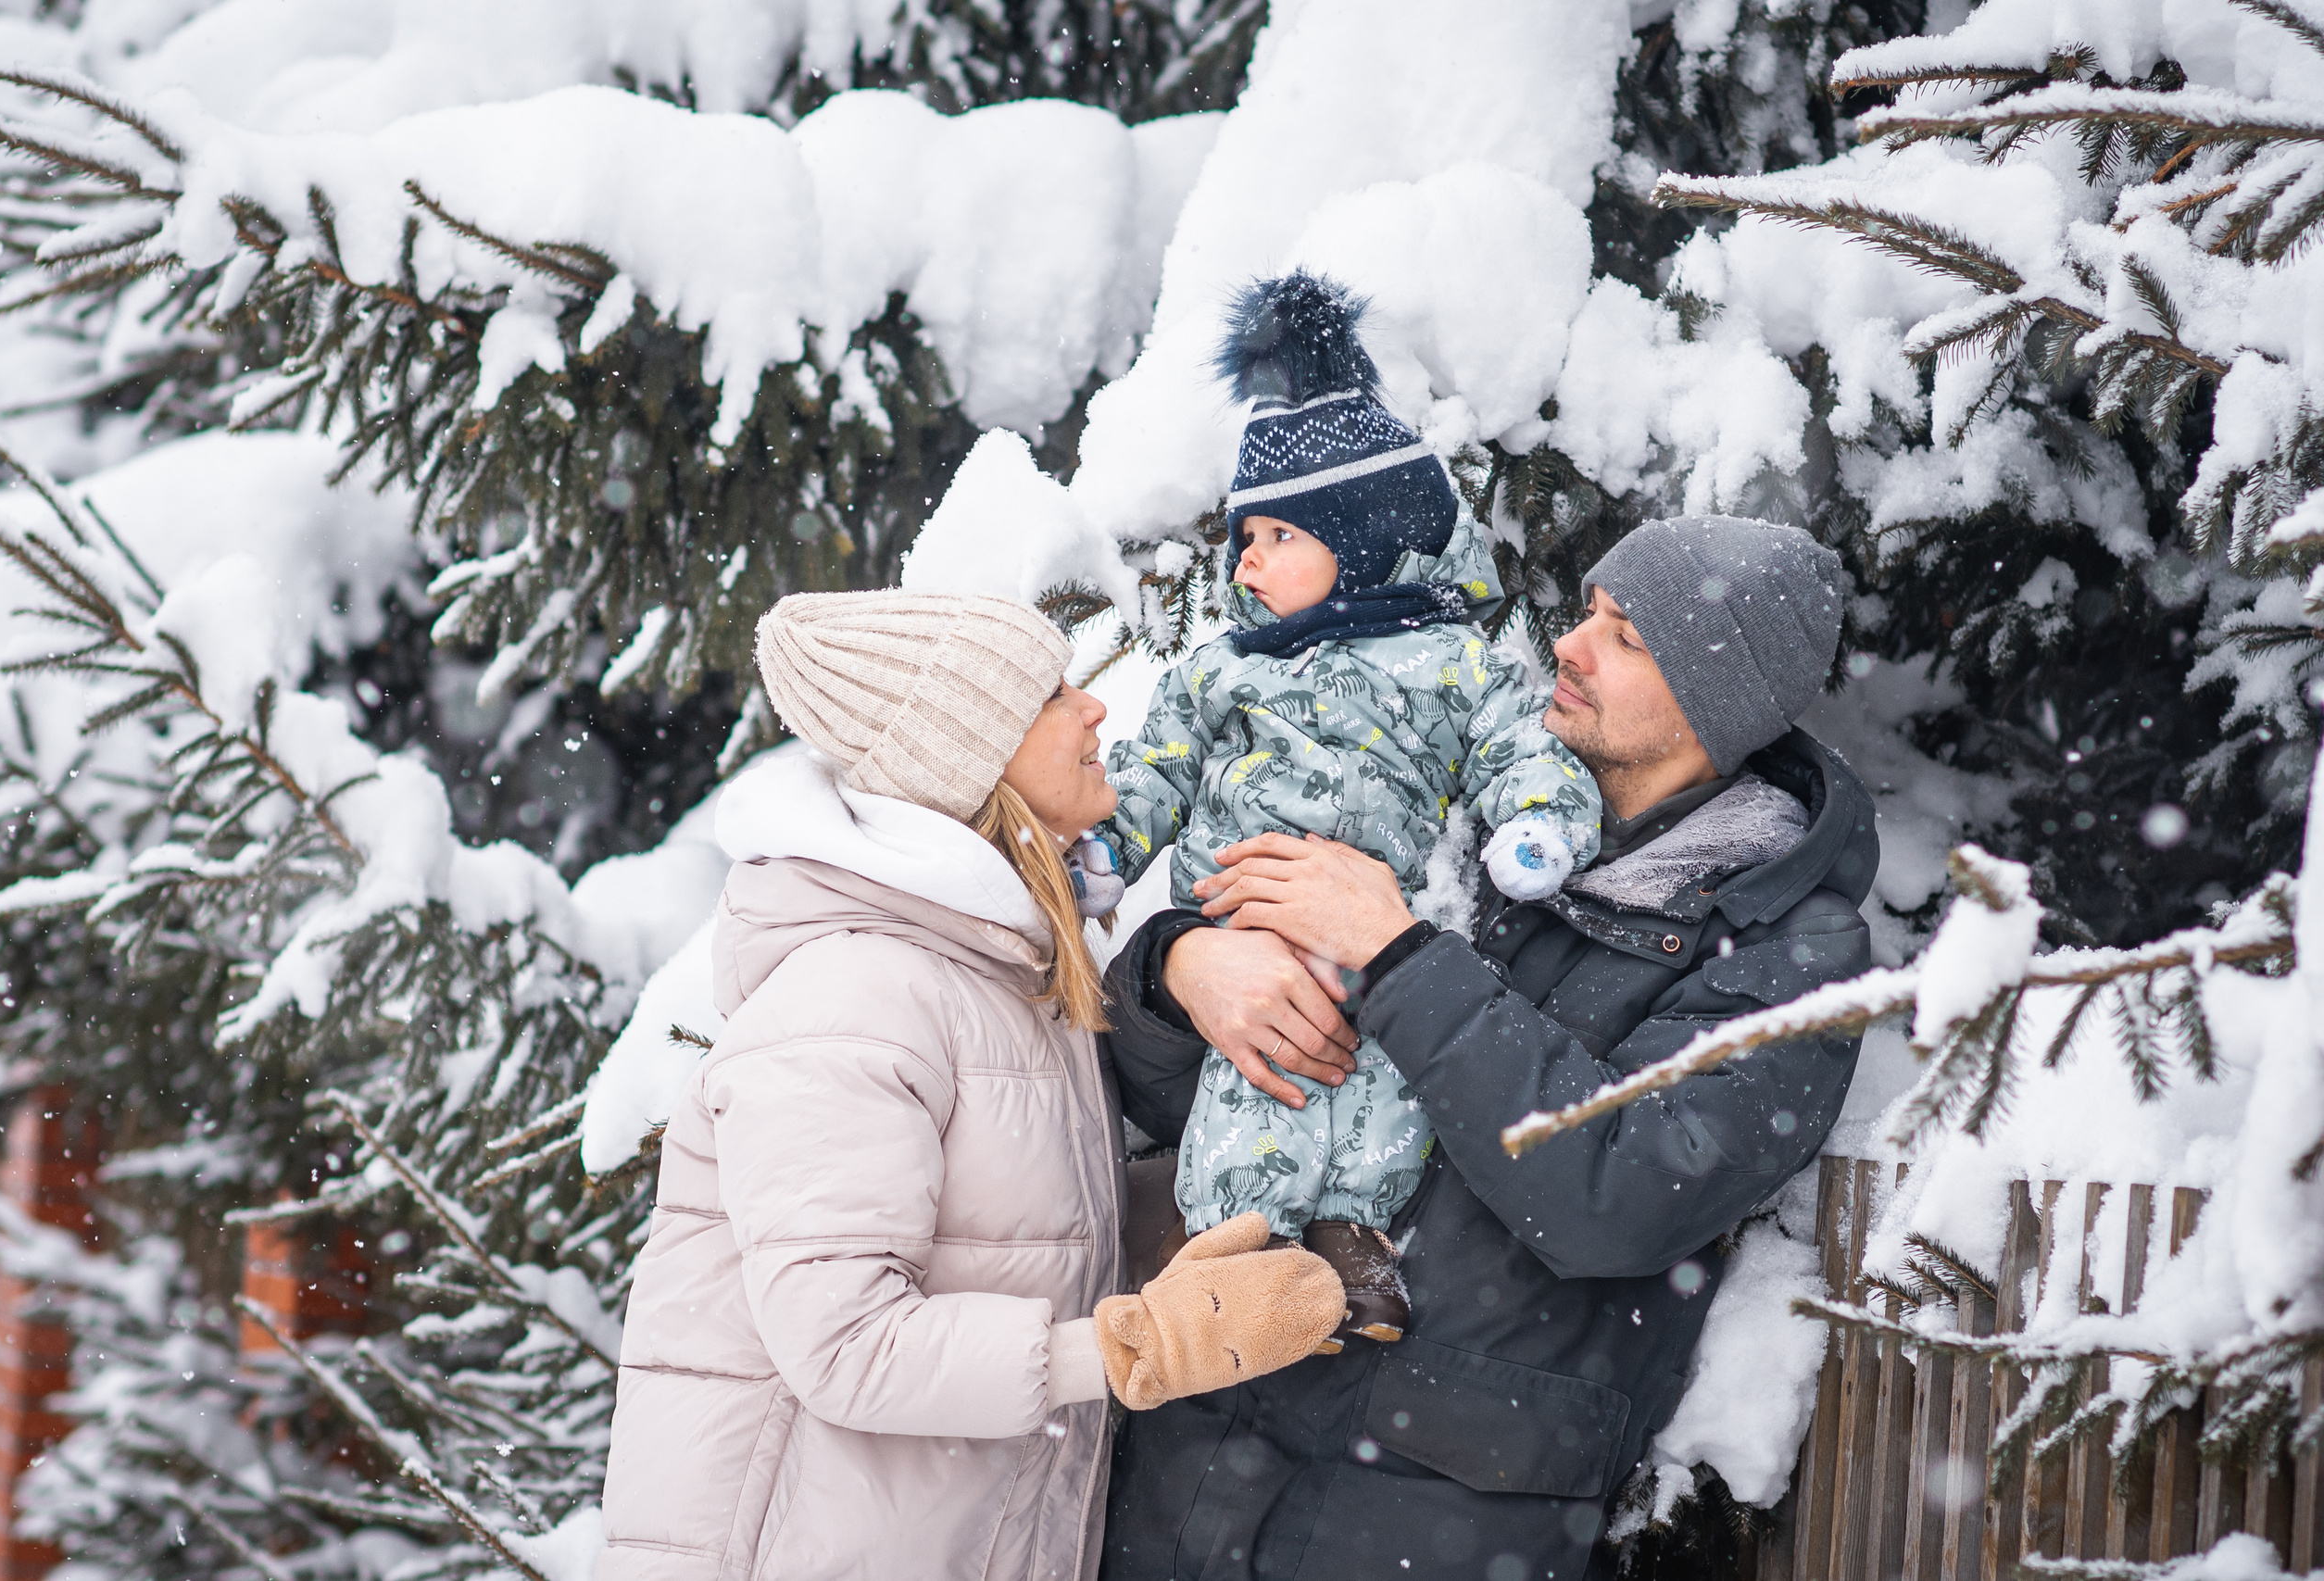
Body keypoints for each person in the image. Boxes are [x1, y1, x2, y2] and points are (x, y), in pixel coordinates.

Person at [1099, 516, 1880, 1580]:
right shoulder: (1451, 803)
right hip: (1206, 1456)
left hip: (1428, 1514)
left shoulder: (1788, 941)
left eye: (1629, 637)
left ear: (1718, 697)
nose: (1568, 644)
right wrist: (1177, 971)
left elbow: (1617, 1195)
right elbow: (1171, 1103)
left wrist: (1400, 953)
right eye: (1588, 613)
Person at [594, 590, 1345, 1581]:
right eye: (1050, 695)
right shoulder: (857, 998)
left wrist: (1208, 1206)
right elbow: (849, 1347)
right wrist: (1145, 1346)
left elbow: (996, 1232)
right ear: (969, 757)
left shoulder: (992, 976)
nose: (1095, 711)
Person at [1097, 272, 1602, 1346]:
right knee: (1261, 1080)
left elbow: (1521, 744)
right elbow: (1153, 770)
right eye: (1244, 539)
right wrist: (1105, 850)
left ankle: (1352, 1254)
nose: (1247, 561)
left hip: (1378, 925)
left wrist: (1535, 827)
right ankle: (1239, 1256)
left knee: (1380, 1085)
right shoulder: (1220, 670)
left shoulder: (1457, 661)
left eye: (1277, 536)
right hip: (1248, 928)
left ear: (1361, 537)